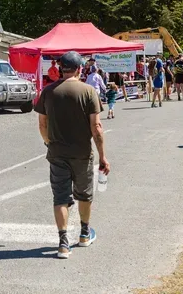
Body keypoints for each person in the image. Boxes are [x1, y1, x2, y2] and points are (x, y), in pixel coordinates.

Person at [34, 51, 110, 259]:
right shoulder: (88, 91)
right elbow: (96, 127)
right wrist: (103, 156)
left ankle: (63, 242)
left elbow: (42, 124)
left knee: (60, 197)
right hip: (82, 153)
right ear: (79, 69)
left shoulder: (48, 92)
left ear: (61, 68)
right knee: (84, 194)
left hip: (57, 153)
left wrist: (49, 142)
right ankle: (84, 233)